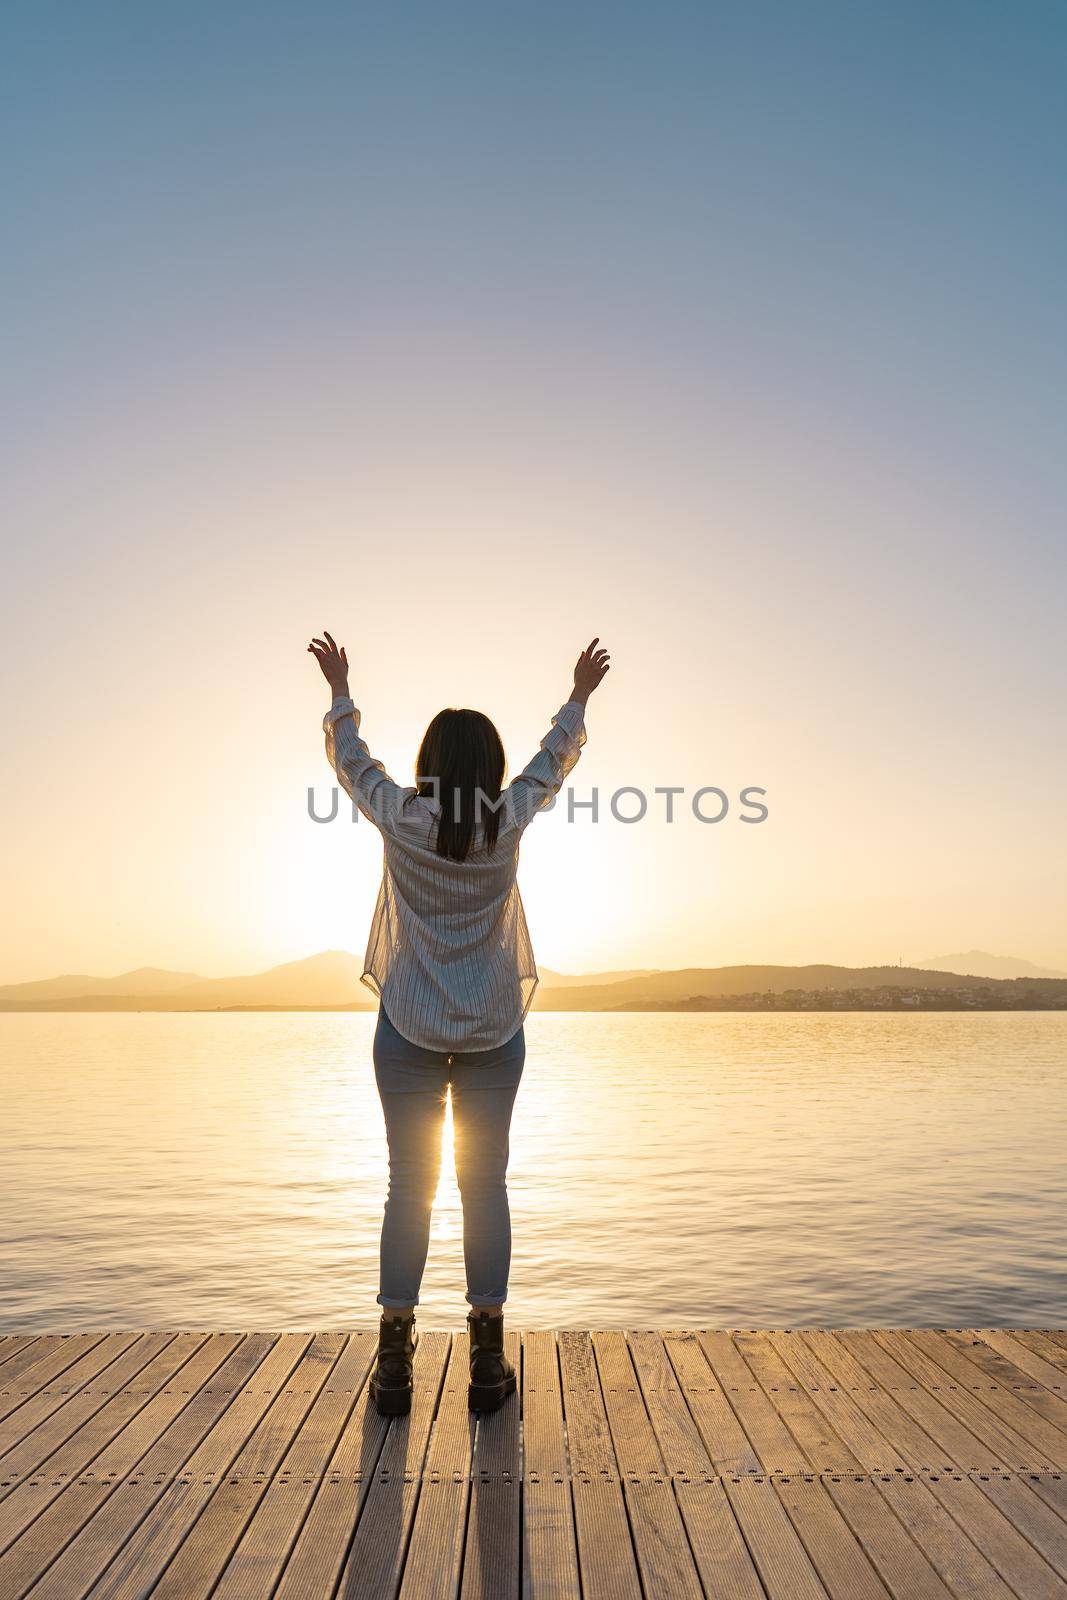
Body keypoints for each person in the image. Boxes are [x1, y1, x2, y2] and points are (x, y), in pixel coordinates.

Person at [309, 630, 611, 1415]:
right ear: (491, 770)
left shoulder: (400, 819)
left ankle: (393, 1365)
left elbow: (352, 761)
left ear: (429, 765)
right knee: (485, 1186)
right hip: (491, 1032)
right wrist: (578, 695)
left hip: (406, 1026)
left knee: (407, 1188)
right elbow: (553, 760)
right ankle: (485, 1359)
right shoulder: (506, 820)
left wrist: (340, 688)